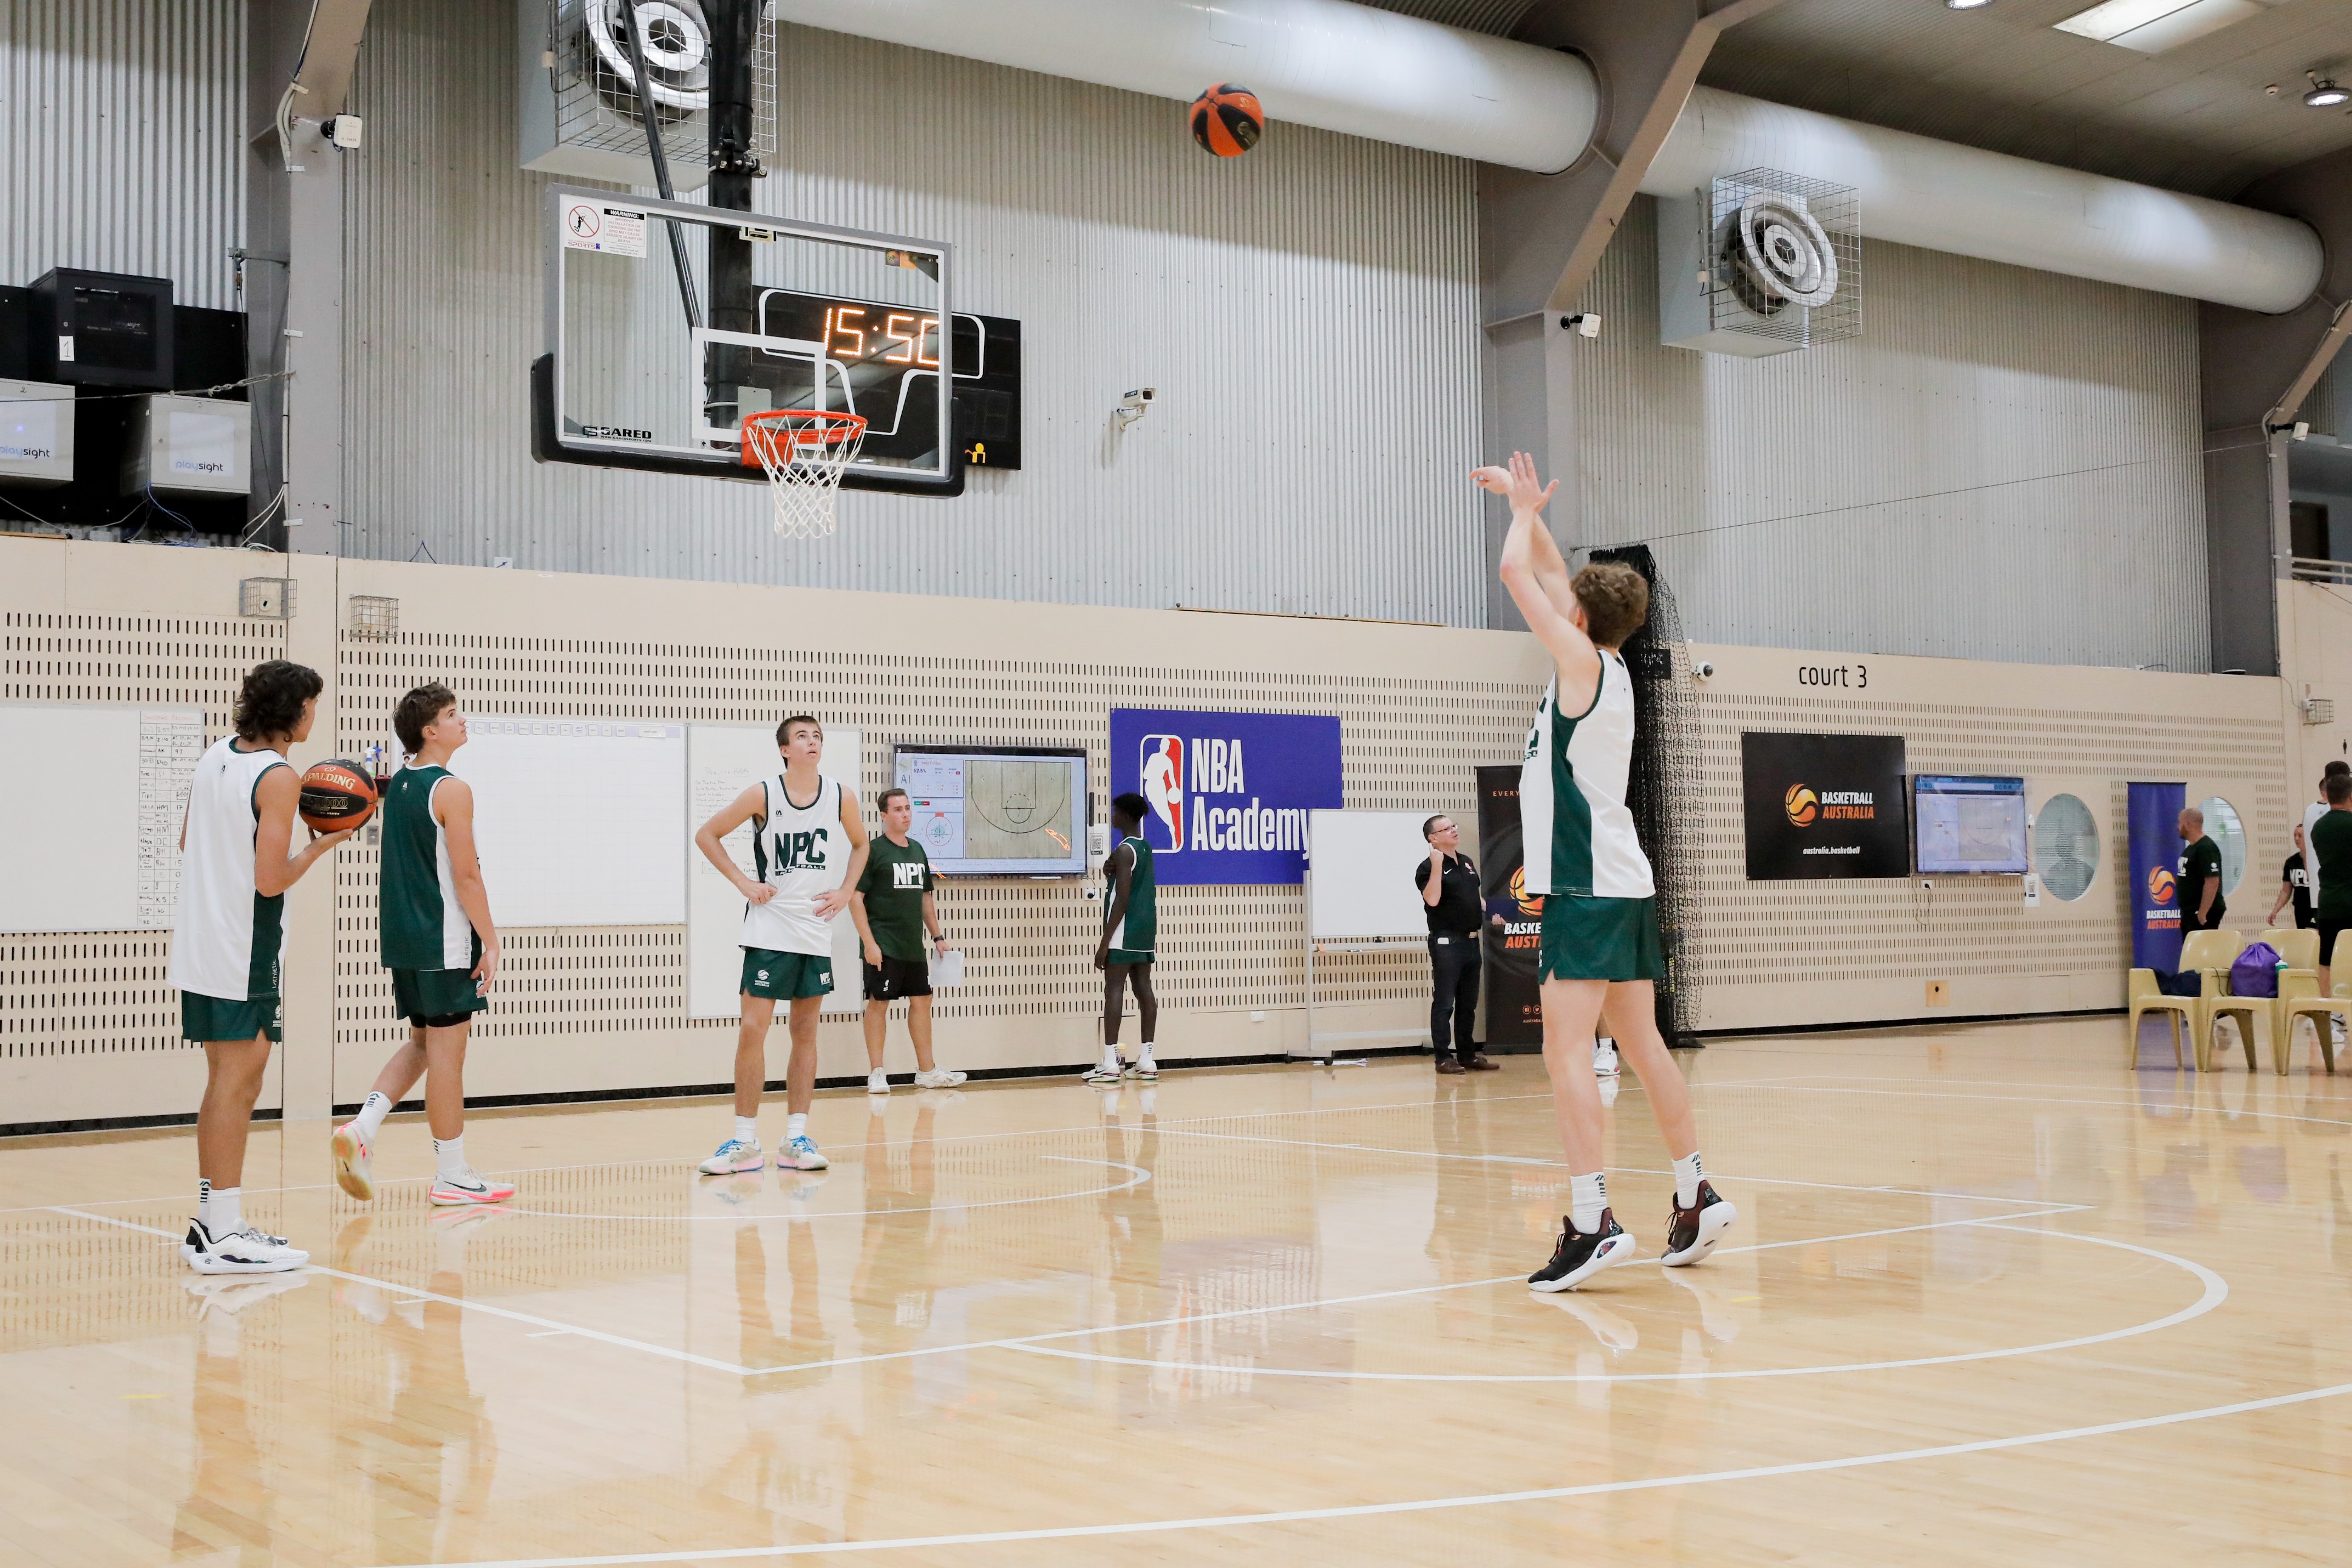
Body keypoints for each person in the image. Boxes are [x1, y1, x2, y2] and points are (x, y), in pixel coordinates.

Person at [1478, 450, 1734, 1292]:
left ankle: (1590, 1221)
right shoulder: (1611, 662)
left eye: (1568, 605)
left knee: (1562, 1053)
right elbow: (1550, 569)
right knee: (1641, 1041)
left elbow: (1520, 569)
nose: (1559, 603)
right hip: (1625, 881)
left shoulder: (1579, 665)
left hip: (1585, 884)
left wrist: (1518, 519)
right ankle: (1694, 1190)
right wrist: (1530, 505)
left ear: (1578, 620)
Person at [171, 660, 353, 1274]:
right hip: (241, 948)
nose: (314, 716)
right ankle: (222, 1233)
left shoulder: (213, 756)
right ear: (297, 711)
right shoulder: (278, 777)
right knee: (239, 1083)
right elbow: (271, 880)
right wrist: (321, 844)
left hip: (199, 942)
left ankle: (211, 1224)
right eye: (312, 706)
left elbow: (186, 844)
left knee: (224, 1080)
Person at [332, 684, 512, 1209]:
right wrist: (492, 939)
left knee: (422, 1045)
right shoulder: (452, 789)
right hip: (443, 940)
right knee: (449, 1058)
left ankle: (363, 1127)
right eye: (453, 715)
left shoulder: (402, 785)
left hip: (404, 940)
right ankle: (452, 1173)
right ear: (430, 730)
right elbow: (466, 874)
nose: (463, 721)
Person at [692, 715, 869, 1175]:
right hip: (770, 926)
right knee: (753, 1027)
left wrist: (847, 890)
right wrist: (743, 882)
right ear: (785, 750)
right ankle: (745, 1141)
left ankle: (795, 1138)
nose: (812, 742)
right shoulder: (763, 794)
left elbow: (861, 845)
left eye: (817, 736)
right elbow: (706, 834)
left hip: (813, 927)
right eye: (803, 737)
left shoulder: (840, 795)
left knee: (805, 1032)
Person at [852, 786, 965, 1093]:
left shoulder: (917, 849)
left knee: (922, 1000)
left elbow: (925, 898)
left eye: (908, 808)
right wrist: (869, 943)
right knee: (879, 1004)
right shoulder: (872, 851)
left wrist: (938, 937)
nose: (905, 814)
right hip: (883, 945)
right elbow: (855, 898)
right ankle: (877, 1072)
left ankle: (927, 1071)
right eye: (898, 809)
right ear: (884, 815)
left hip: (912, 945)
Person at [1416, 814, 1497, 1074]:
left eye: (1454, 826)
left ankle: (1467, 1054)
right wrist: (1437, 865)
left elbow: (1475, 897)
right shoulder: (1427, 868)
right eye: (1447, 828)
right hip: (1446, 943)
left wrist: (1492, 911)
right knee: (1444, 1003)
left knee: (1468, 1004)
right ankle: (1443, 1057)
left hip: (1472, 943)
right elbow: (1433, 900)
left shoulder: (1467, 863)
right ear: (1433, 838)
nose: (1453, 830)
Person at [1090, 792, 1160, 1084]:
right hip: (1145, 930)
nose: (1113, 816)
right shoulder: (1144, 848)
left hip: (1123, 930)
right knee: (1144, 989)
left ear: (1127, 816)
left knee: (1114, 991)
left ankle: (1109, 1062)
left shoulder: (1123, 851)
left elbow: (1122, 899)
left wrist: (1104, 943)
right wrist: (1111, 874)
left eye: (1116, 811)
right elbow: (1125, 884)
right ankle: (1147, 1058)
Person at [2313, 772, 2352, 1000]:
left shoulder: (2319, 827)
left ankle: (2329, 1011)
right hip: (2350, 902)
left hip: (2327, 903)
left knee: (2326, 961)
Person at [2176, 806, 2225, 934]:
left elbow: (2212, 881)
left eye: (2179, 823)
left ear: (2187, 824)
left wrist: (2202, 913)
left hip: (2202, 911)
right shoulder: (2191, 849)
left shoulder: (2206, 848)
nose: (2178, 827)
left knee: (2199, 952)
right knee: (2190, 953)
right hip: (2190, 911)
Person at [2270, 823, 2314, 932]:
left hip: (2316, 908)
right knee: (2305, 938)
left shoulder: (2317, 860)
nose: (2296, 838)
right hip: (2301, 909)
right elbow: (2286, 890)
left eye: (2300, 836)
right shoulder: (2291, 862)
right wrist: (2275, 910)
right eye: (2295, 835)